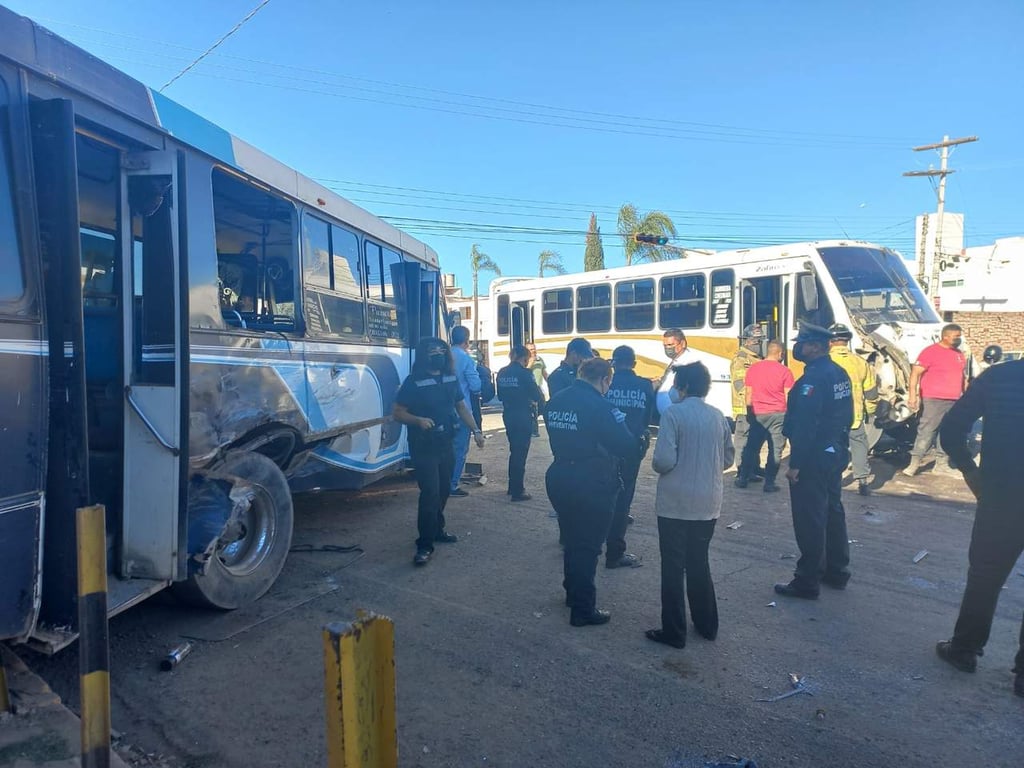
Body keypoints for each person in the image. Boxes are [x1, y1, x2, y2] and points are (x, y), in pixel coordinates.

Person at [935, 358, 1024, 699]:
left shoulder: (1000, 377)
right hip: (1001, 496)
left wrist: (971, 472)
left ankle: (964, 650)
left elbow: (951, 429)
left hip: (1001, 496)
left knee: (985, 577)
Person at [545, 358, 641, 627]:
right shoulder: (602, 406)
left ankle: (572, 592)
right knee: (587, 547)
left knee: (572, 538)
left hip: (559, 475)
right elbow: (626, 447)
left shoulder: (556, 401)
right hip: (591, 480)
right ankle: (583, 609)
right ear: (605, 380)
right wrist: (641, 443)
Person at [647, 362, 734, 649]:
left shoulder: (673, 414)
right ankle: (707, 624)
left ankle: (674, 631)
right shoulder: (717, 416)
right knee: (699, 561)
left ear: (683, 387)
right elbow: (728, 459)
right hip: (708, 502)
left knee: (673, 567)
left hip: (675, 503)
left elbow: (663, 461)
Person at [774, 323, 853, 599]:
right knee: (833, 511)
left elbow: (805, 425)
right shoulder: (838, 373)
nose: (797, 348)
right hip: (835, 450)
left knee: (810, 518)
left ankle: (807, 580)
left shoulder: (814, 379)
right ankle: (837, 571)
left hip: (813, 456)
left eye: (803, 343)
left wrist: (795, 464)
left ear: (816, 347)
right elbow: (848, 415)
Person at [392, 337, 485, 566]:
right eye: (433, 351)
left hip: (446, 443)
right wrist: (418, 420)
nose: (438, 354)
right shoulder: (413, 381)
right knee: (430, 493)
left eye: (441, 350)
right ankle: (424, 545)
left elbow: (461, 407)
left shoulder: (450, 378)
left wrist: (476, 430)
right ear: (424, 355)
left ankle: (437, 529)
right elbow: (398, 413)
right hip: (423, 446)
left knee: (444, 489)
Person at [604, 345, 655, 567]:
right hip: (632, 448)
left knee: (602, 493)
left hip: (606, 448)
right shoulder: (644, 385)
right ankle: (615, 553)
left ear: (613, 363)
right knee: (623, 499)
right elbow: (648, 418)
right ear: (634, 364)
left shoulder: (606, 383)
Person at [903, 324, 967, 477]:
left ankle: (941, 464)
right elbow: (915, 373)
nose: (959, 339)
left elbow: (963, 377)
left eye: (959, 336)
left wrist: (966, 395)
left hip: (954, 400)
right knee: (927, 431)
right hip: (934, 399)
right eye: (956, 337)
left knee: (947, 432)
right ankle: (914, 463)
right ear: (945, 336)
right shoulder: (930, 352)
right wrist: (912, 395)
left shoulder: (959, 354)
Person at [828, 324, 879, 496]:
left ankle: (832, 480)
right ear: (848, 340)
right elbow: (871, 392)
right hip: (855, 416)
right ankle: (862, 482)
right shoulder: (860, 362)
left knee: (831, 447)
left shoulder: (825, 361)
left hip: (832, 418)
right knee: (859, 446)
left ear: (830, 341)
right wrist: (870, 411)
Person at [738, 340, 794, 493]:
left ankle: (743, 478)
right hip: (778, 414)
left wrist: (750, 412)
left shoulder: (753, 369)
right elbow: (789, 396)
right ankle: (769, 483)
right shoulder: (785, 371)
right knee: (775, 449)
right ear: (780, 353)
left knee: (751, 447)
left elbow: (748, 394)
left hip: (758, 413)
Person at [497, 345, 545, 502]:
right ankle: (518, 490)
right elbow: (536, 394)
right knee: (521, 452)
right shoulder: (525, 373)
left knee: (514, 450)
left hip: (508, 414)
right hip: (522, 414)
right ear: (525, 358)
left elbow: (500, 395)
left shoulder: (502, 372)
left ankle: (512, 486)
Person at [448, 326, 481, 498]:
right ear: (466, 341)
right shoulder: (465, 358)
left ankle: (442, 481)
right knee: (459, 449)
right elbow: (475, 386)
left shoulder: (444, 355)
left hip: (443, 410)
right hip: (462, 411)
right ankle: (452, 485)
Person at [730, 324, 765, 481]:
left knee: (754, 439)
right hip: (745, 407)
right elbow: (740, 384)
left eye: (760, 341)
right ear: (748, 341)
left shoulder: (756, 358)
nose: (759, 344)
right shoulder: (742, 359)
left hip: (756, 406)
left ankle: (753, 468)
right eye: (757, 341)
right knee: (743, 440)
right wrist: (751, 401)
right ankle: (742, 470)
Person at [656, 329, 696, 416]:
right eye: (665, 346)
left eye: (670, 345)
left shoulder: (687, 363)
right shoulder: (676, 360)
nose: (667, 348)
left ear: (682, 344)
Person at [527, 342, 548, 437]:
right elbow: (524, 371)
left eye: (534, 348)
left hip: (539, 386)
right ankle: (534, 431)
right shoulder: (525, 360)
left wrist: (550, 381)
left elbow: (544, 372)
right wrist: (531, 362)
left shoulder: (540, 359)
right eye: (531, 349)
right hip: (530, 388)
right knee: (533, 408)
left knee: (543, 407)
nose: (533, 351)